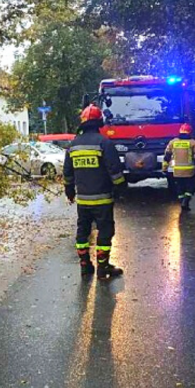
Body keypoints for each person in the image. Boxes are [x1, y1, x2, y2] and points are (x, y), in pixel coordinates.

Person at [64, 105, 126, 279]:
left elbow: (67, 173)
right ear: (100, 122)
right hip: (103, 200)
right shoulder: (104, 143)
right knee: (105, 233)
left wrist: (70, 192)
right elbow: (115, 171)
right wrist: (121, 190)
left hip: (83, 201)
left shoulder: (73, 145)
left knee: (82, 232)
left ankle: (85, 266)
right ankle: (103, 267)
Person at [163, 123, 195, 211]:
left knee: (179, 188)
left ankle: (182, 201)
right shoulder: (193, 143)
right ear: (190, 132)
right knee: (192, 186)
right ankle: (185, 201)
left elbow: (167, 156)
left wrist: (165, 168)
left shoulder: (173, 142)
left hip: (177, 171)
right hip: (190, 171)